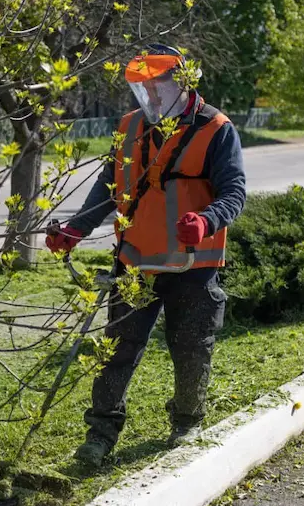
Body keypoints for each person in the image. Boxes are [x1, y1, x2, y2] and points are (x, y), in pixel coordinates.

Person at [45, 44, 247, 467]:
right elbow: (108, 187)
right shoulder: (130, 126)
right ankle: (100, 433)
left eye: (160, 87)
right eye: (144, 90)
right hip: (134, 262)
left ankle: (187, 422)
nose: (152, 98)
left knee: (191, 347)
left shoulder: (217, 129)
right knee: (117, 349)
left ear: (185, 83)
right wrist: (77, 228)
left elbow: (234, 192)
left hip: (192, 265)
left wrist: (207, 220)